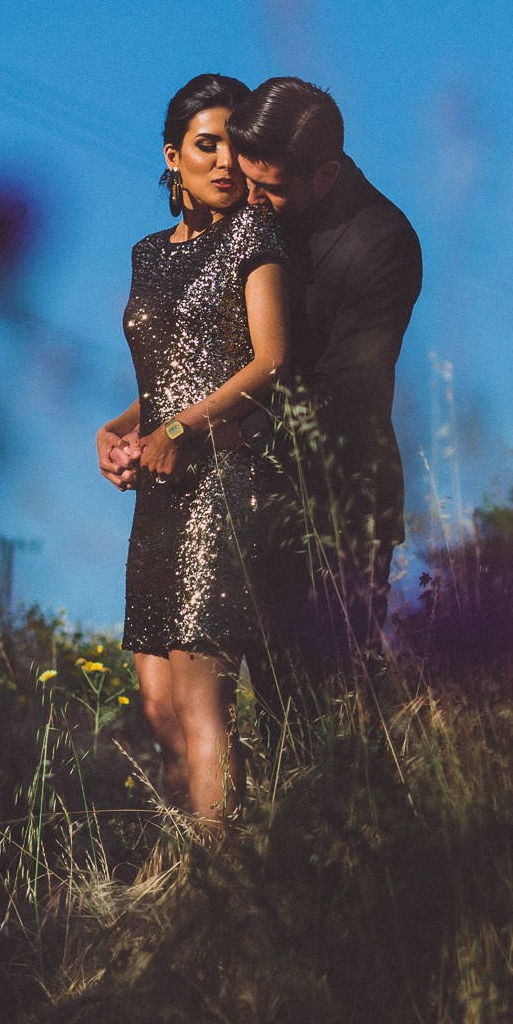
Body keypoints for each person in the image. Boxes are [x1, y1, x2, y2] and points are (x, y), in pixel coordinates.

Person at [95, 73, 288, 824]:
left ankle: (222, 907)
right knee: (159, 707)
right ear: (171, 156)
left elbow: (267, 360)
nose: (225, 163)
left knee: (204, 703)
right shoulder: (147, 254)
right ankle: (184, 884)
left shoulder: (256, 236)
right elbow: (173, 370)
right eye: (207, 146)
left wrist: (179, 429)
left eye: (237, 148)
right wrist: (121, 431)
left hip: (220, 482)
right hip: (158, 497)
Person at [225, 77, 422, 733]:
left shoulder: (383, 242)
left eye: (270, 187)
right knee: (272, 711)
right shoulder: (251, 210)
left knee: (333, 715)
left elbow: (347, 394)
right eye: (247, 180)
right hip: (245, 494)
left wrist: (227, 419)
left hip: (339, 505)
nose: (251, 199)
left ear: (326, 172)